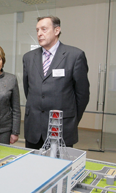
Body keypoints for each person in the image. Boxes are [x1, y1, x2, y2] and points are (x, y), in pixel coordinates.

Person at [23, 16, 90, 149]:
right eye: (37, 30)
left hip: (61, 128)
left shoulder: (75, 56)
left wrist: (72, 120)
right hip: (34, 128)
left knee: (60, 167)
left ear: (56, 30)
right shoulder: (28, 58)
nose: (39, 34)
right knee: (32, 167)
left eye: (44, 29)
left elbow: (82, 94)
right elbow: (28, 90)